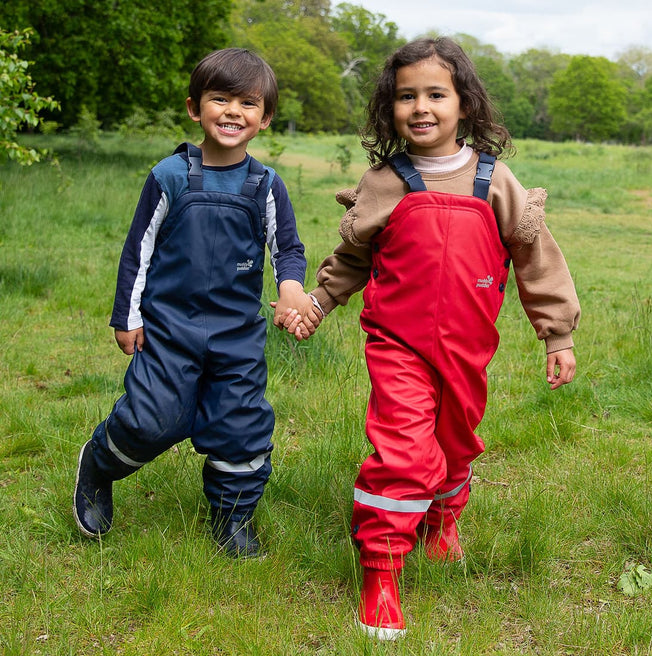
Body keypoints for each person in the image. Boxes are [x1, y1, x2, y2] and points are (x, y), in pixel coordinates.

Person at [305, 37, 580, 638]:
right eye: (407, 96)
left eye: (436, 93)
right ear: (390, 106)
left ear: (465, 104)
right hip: (397, 344)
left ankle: (443, 518)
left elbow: (537, 263)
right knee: (404, 451)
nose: (421, 107)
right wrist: (321, 301)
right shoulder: (384, 181)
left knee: (454, 445)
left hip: (466, 349)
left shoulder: (495, 180)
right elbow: (353, 257)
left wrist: (556, 334)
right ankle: (381, 571)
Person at [73, 48, 320, 558]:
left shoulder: (267, 185)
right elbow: (137, 249)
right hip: (169, 330)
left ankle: (232, 519)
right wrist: (128, 316)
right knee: (151, 420)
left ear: (265, 118)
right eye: (220, 98)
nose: (233, 111)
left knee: (241, 426)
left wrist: (291, 288)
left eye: (247, 103)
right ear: (194, 108)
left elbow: (287, 249)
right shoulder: (169, 175)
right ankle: (99, 465)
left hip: (236, 335)